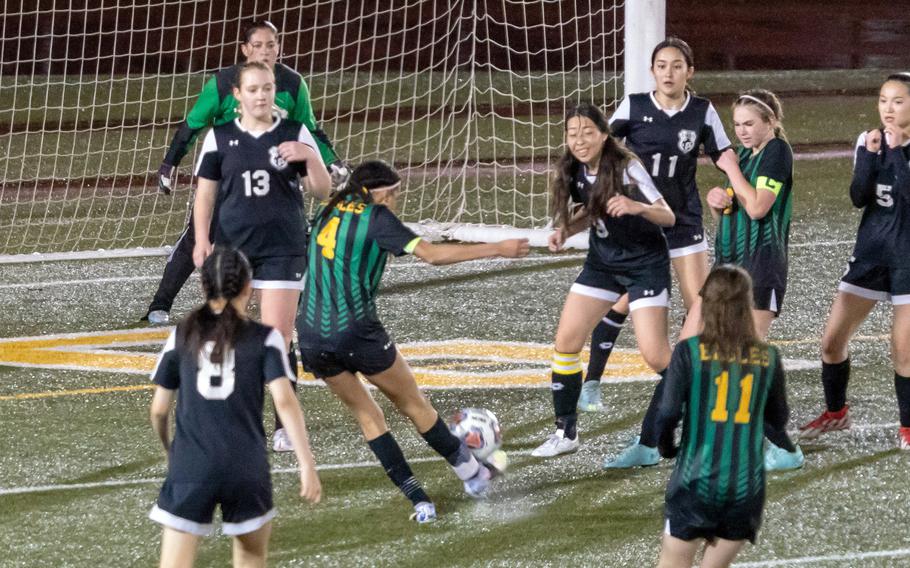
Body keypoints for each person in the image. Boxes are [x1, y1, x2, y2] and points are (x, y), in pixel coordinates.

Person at [296, 159, 529, 522]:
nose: (396, 202)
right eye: (394, 195)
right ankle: (474, 477)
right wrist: (498, 249)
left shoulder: (328, 211)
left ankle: (420, 500)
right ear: (379, 194)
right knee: (415, 405)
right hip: (357, 330)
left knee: (368, 416)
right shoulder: (376, 217)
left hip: (311, 335)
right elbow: (432, 256)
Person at [598, 37, 742, 469]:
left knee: (699, 316)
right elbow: (600, 147)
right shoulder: (634, 105)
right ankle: (686, 404)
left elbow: (726, 155)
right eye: (661, 65)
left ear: (689, 72)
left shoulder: (702, 112)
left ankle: (672, 420)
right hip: (641, 230)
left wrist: (737, 191)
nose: (668, 72)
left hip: (683, 226)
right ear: (652, 70)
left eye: (677, 66)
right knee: (655, 348)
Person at [143, 19, 346, 325]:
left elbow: (311, 130)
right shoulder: (223, 85)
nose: (265, 51)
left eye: (271, 44)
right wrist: (170, 162)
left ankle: (299, 307)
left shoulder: (293, 87)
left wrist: (329, 161)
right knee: (199, 236)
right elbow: (194, 124)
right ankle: (160, 304)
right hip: (233, 178)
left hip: (277, 187)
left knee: (296, 239)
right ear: (239, 92)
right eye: (258, 45)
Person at [148, 247, 321, 568]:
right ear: (249, 286)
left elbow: (159, 409)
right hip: (245, 467)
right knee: (252, 557)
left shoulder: (182, 333)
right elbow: (285, 401)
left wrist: (170, 451)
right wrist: (306, 464)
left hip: (192, 466)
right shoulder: (266, 338)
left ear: (203, 286)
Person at [192, 61, 332, 452]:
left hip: (282, 248)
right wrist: (201, 240)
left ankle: (283, 424)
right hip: (232, 250)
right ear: (237, 95)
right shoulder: (219, 136)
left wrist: (312, 156)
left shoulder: (293, 133)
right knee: (227, 334)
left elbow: (321, 191)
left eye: (267, 88)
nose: (261, 95)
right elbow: (205, 194)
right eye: (252, 89)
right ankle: (228, 418)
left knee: (277, 337)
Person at [530, 102, 675, 459]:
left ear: (604, 135)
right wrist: (565, 230)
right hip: (603, 264)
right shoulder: (573, 169)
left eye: (587, 133)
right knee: (566, 341)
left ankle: (701, 404)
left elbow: (667, 216)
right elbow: (590, 211)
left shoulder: (627, 167)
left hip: (645, 266)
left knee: (656, 357)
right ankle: (565, 432)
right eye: (572, 134)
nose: (579, 141)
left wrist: (636, 206)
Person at [655, 265, 799, 568]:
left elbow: (667, 413)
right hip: (745, 489)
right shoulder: (768, 357)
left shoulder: (689, 352)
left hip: (694, 482)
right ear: (747, 304)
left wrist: (667, 447)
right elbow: (778, 418)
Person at [800, 72, 910, 449]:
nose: (889, 109)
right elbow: (858, 197)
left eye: (898, 101)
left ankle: (908, 427)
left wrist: (895, 151)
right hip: (870, 255)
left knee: (904, 351)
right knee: (831, 341)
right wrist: (869, 153)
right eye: (884, 100)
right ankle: (836, 413)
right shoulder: (869, 140)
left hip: (908, 260)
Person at [705, 89, 803, 471]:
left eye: (750, 124)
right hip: (731, 266)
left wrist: (729, 171)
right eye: (737, 125)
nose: (742, 132)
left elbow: (760, 208)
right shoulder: (745, 156)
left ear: (771, 123)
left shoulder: (777, 152)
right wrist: (719, 205)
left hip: (761, 266)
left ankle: (783, 448)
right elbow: (738, 210)